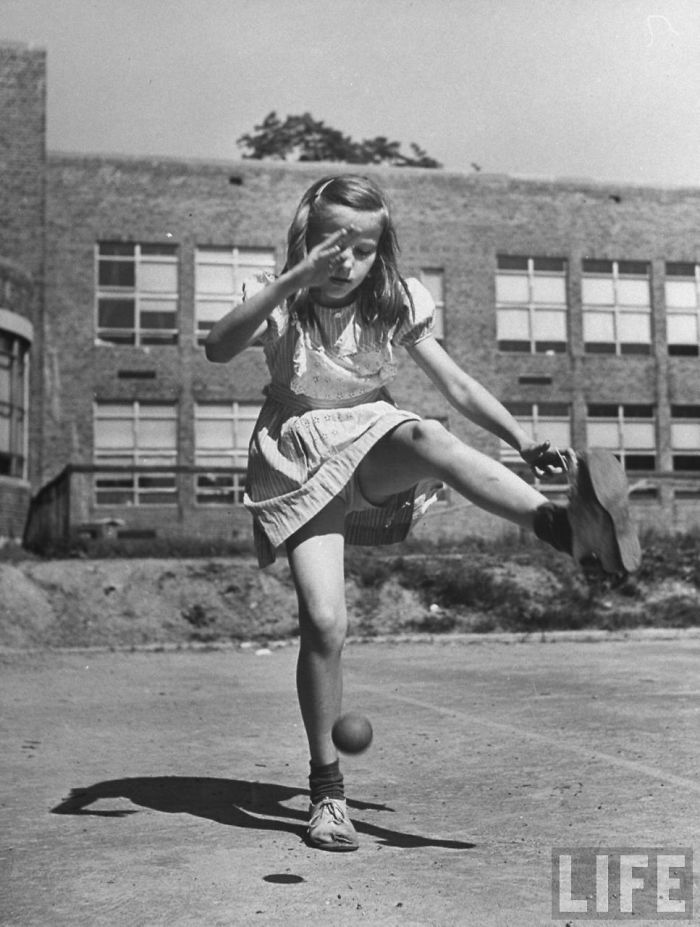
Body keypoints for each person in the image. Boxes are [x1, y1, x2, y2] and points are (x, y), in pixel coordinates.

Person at [205, 173, 641, 852]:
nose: (345, 262)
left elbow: (456, 383)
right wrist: (294, 278)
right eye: (330, 245)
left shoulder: (394, 302)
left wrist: (522, 437)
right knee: (324, 621)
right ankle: (327, 792)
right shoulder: (279, 298)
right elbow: (217, 345)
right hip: (296, 454)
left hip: (370, 437)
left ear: (383, 252)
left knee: (430, 437)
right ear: (304, 240)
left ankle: (563, 528)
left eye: (363, 249)